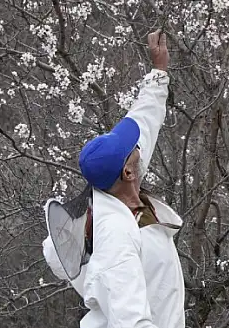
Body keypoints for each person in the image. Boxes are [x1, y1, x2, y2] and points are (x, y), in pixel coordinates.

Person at [42, 31, 185, 328]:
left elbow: (144, 120)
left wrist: (158, 72)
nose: (138, 146)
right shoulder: (116, 235)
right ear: (128, 172)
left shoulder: (118, 186)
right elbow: (131, 322)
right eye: (133, 148)